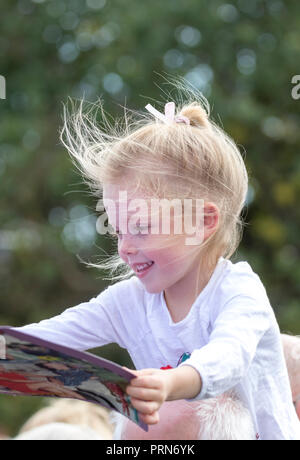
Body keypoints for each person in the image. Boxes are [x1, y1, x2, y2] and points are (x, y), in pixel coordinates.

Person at [11, 78, 300, 440]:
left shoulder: (239, 292)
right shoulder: (129, 302)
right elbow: (50, 337)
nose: (124, 247)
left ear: (202, 223)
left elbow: (228, 357)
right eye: (118, 231)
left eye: (141, 227)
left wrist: (172, 382)